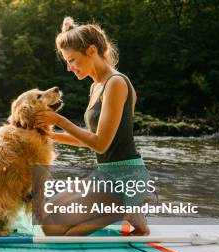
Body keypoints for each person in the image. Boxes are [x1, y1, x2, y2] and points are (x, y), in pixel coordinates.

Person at [34, 17, 151, 236]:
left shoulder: (115, 83)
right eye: (67, 62)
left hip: (125, 178)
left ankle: (125, 210)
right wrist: (51, 136)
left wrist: (59, 120)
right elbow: (92, 138)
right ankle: (124, 208)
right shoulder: (95, 86)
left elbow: (100, 144)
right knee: (45, 214)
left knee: (54, 229)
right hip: (104, 174)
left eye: (72, 60)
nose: (69, 68)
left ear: (91, 51)